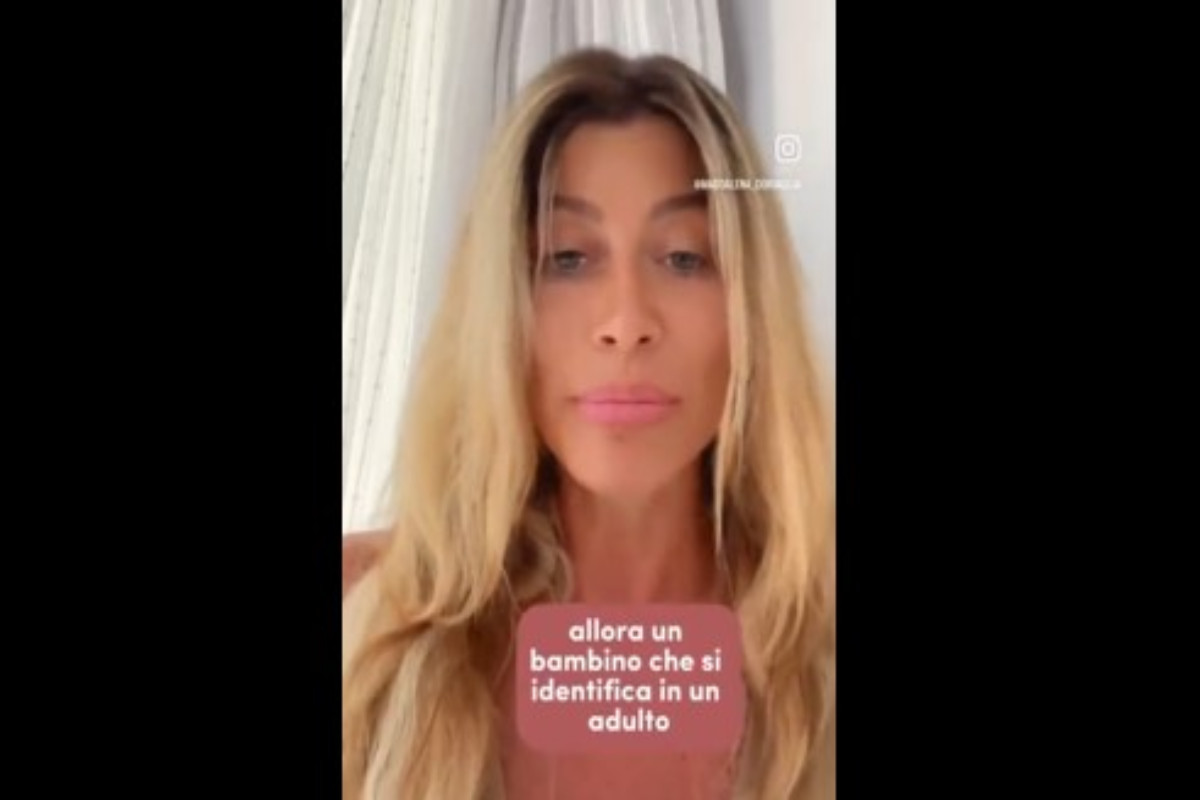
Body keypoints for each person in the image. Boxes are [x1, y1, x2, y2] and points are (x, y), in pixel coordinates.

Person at [342, 47, 834, 800]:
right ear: (501, 310)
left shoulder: (817, 649)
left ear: (751, 315)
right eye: (568, 257)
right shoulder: (369, 624)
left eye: (683, 257)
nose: (626, 322)